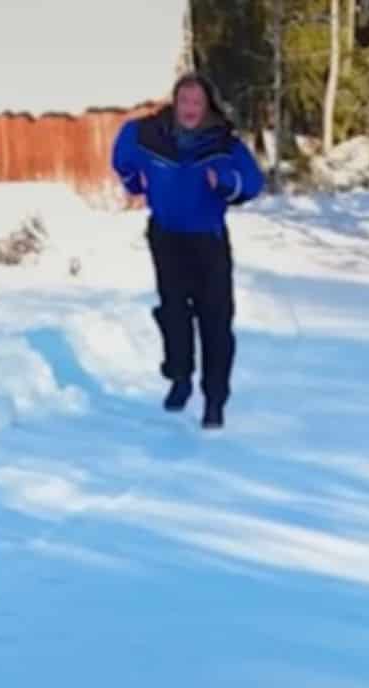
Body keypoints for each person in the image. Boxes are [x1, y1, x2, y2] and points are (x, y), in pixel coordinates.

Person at [111, 74, 266, 430]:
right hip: (167, 239)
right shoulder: (148, 134)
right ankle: (180, 379)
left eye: (197, 103)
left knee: (215, 323)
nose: (190, 110)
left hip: (208, 243)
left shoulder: (224, 143)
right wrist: (135, 182)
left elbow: (253, 183)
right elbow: (122, 153)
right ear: (175, 103)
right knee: (174, 315)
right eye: (185, 102)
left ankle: (214, 400)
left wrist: (226, 184)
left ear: (207, 105)